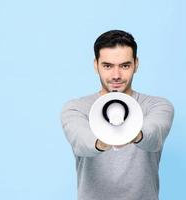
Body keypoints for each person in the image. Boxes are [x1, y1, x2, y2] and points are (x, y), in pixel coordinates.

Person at [61, 30, 174, 200]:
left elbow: (154, 136)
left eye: (125, 65)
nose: (116, 75)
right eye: (107, 66)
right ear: (95, 65)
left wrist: (131, 132)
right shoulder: (76, 108)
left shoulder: (157, 106)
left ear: (136, 64)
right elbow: (81, 142)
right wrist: (106, 139)